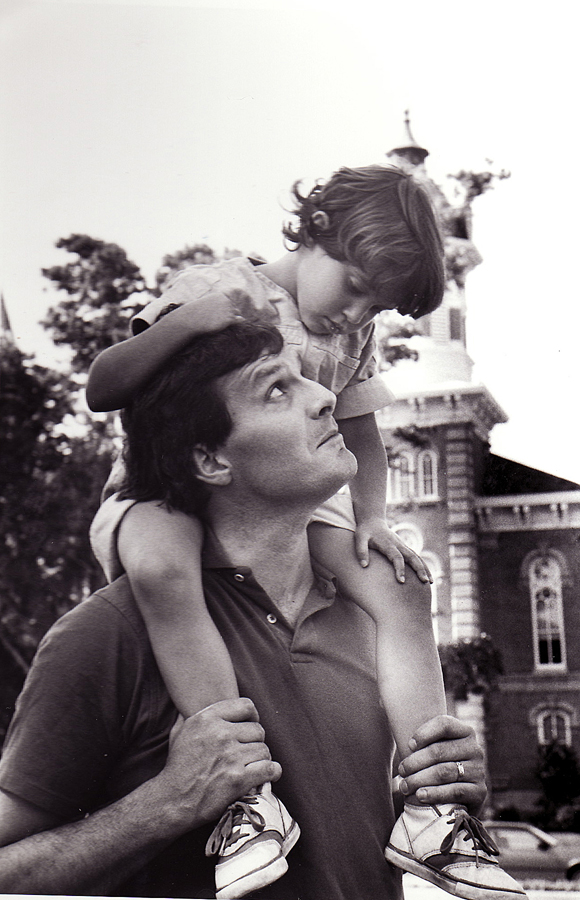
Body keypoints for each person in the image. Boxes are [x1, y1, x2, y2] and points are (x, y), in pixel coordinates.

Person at [84, 165, 518, 899]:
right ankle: (245, 797)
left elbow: (361, 428)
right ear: (316, 230)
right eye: (354, 287)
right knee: (161, 567)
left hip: (281, 517)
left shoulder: (354, 337)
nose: (357, 313)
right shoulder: (218, 286)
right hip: (175, 492)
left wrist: (373, 519)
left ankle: (431, 811)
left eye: (375, 304)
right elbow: (105, 385)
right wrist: (195, 320)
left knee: (401, 583)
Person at [0, 323, 524, 900]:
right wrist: (164, 804)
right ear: (211, 459)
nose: (325, 396)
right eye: (276, 390)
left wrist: (435, 782)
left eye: (303, 378)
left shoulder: (377, 620)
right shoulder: (112, 634)